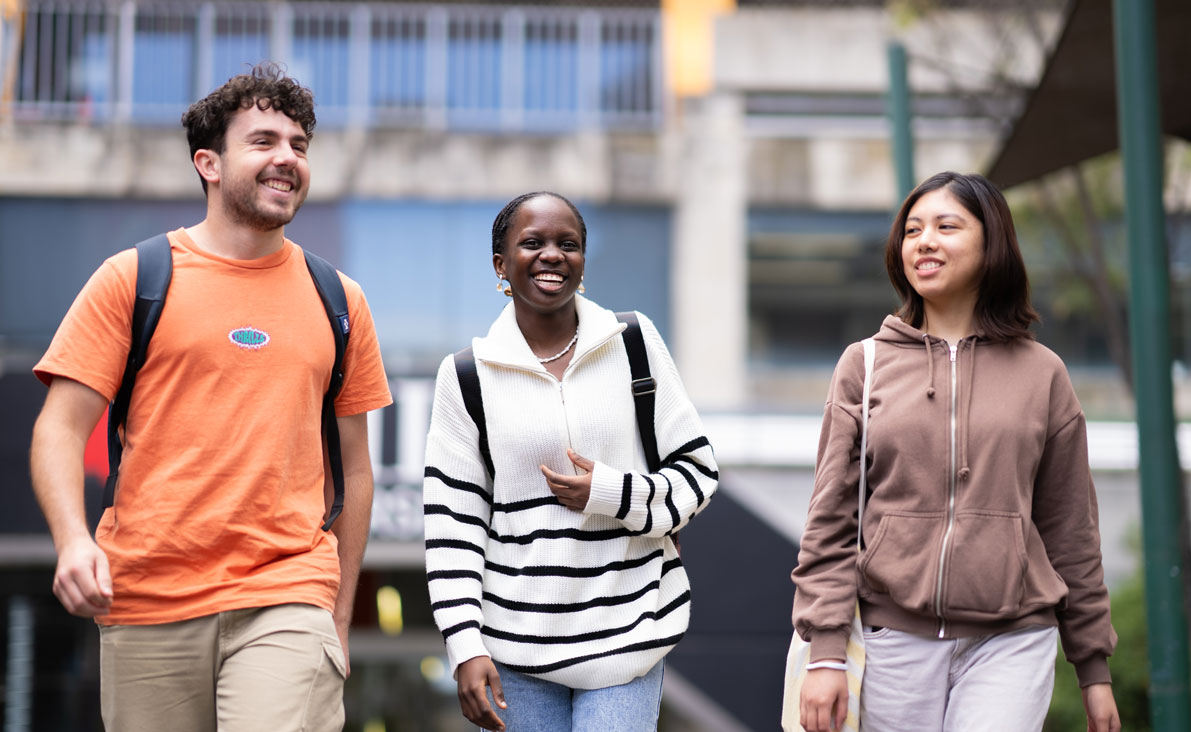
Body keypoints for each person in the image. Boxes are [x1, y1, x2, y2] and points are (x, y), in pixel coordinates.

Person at [29, 63, 392, 732]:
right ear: (210, 163)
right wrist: (73, 540)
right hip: (146, 597)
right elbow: (59, 427)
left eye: (299, 145)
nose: (287, 158)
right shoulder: (133, 279)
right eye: (263, 141)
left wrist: (336, 613)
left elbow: (357, 467)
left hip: (287, 591)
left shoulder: (340, 300)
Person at [790, 172, 1120, 732]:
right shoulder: (864, 364)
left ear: (992, 244)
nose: (924, 241)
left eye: (947, 226)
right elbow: (830, 518)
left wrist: (1093, 668)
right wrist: (825, 650)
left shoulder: (1043, 374)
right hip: (891, 638)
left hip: (1013, 638)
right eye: (913, 229)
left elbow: (1070, 528)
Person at [423, 191, 718, 731]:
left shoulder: (633, 342)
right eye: (532, 243)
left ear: (583, 262)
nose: (552, 255)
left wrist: (607, 493)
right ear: (500, 265)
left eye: (568, 244)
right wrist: (464, 644)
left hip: (627, 633)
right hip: (514, 647)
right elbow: (453, 526)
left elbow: (698, 474)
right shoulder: (466, 375)